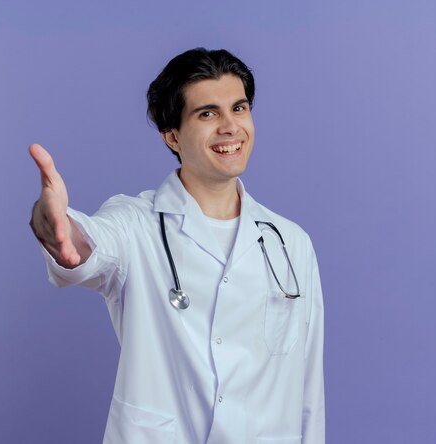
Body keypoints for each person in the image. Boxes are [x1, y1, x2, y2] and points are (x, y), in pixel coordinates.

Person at [29, 48, 325, 444]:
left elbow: (308, 389)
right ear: (172, 136)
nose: (229, 127)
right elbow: (90, 243)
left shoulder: (290, 242)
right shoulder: (137, 223)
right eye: (207, 114)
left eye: (238, 108)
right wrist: (54, 227)